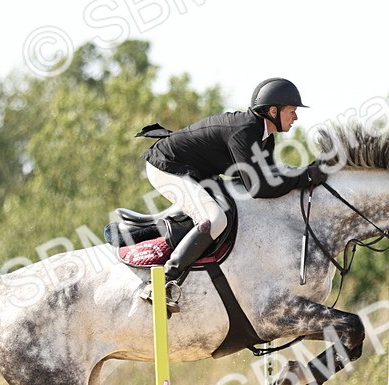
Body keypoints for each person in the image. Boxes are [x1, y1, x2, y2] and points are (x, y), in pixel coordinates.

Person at [135, 77, 328, 312]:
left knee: (230, 210)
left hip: (197, 171)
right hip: (166, 166)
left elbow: (268, 178)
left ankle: (144, 233)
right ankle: (162, 282)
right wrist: (305, 177)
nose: (296, 117)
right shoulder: (246, 132)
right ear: (273, 111)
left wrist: (305, 172)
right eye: (292, 111)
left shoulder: (264, 137)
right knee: (214, 219)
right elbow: (260, 188)